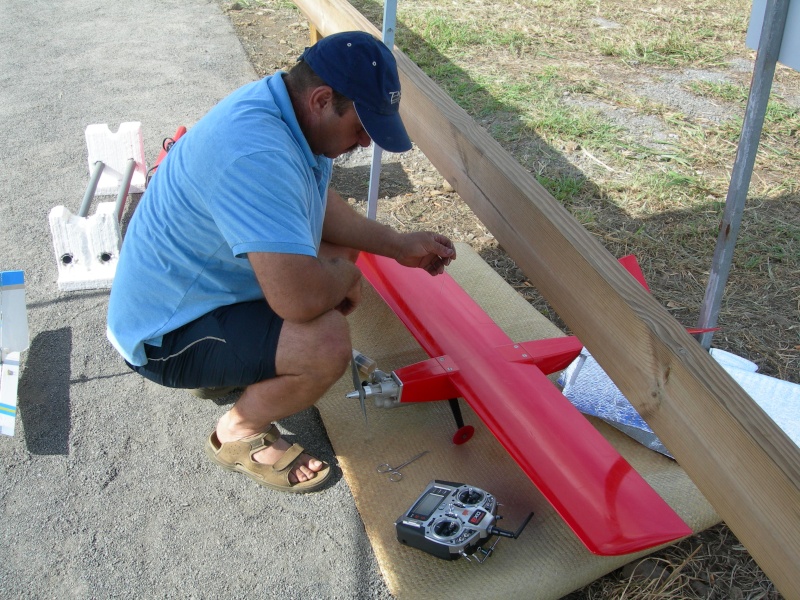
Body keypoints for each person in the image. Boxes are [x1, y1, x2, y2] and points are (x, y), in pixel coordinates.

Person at [106, 31, 456, 494]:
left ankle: (232, 367)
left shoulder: (287, 110)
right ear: (323, 99)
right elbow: (299, 299)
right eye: (361, 128)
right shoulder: (257, 152)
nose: (365, 142)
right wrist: (347, 277)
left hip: (203, 291)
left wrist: (394, 243)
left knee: (334, 255)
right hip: (162, 334)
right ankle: (237, 431)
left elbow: (314, 205)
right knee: (325, 342)